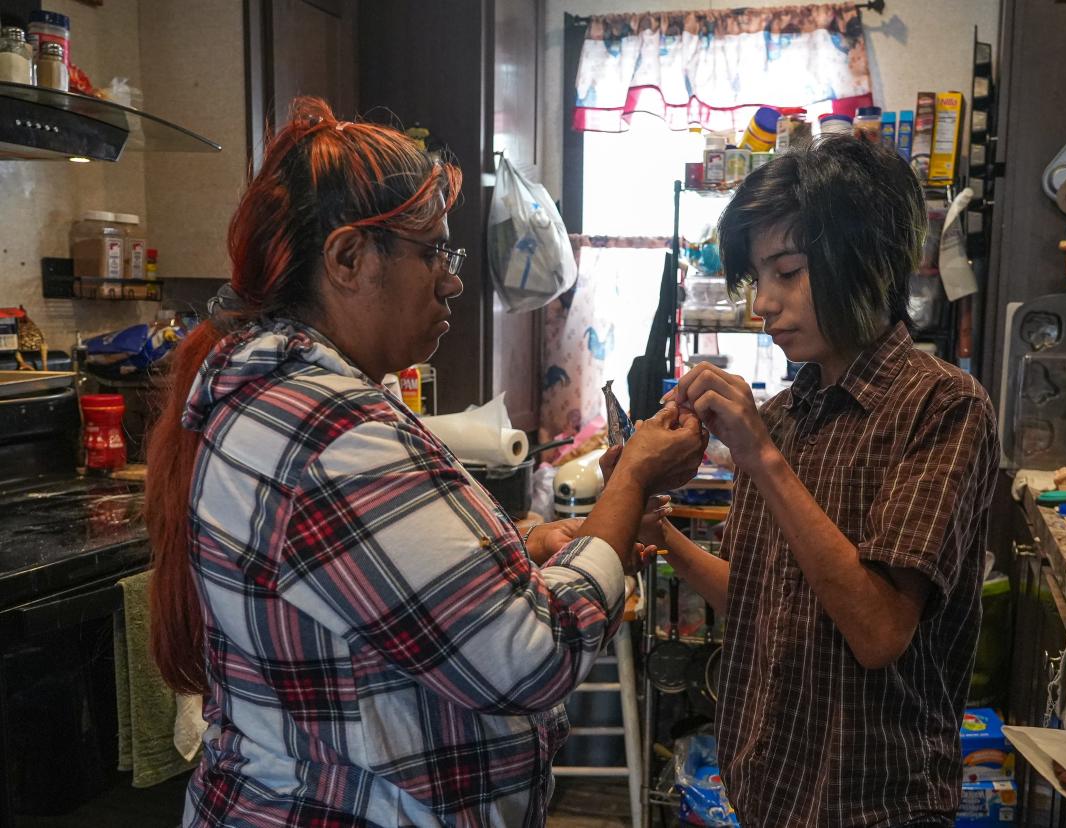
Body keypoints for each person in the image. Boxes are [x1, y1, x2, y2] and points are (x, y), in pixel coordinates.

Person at [144, 98, 707, 827]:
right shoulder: (330, 432)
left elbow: (370, 599)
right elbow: (533, 657)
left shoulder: (281, 394)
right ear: (347, 259)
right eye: (434, 253)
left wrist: (512, 553)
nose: (451, 280)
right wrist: (631, 480)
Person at [647, 136, 1000, 826]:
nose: (765, 306)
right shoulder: (783, 415)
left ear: (863, 262)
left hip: (872, 805)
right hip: (767, 790)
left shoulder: (942, 407)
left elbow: (877, 631)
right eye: (758, 279)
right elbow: (764, 599)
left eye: (789, 271)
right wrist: (658, 534)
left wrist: (761, 458)